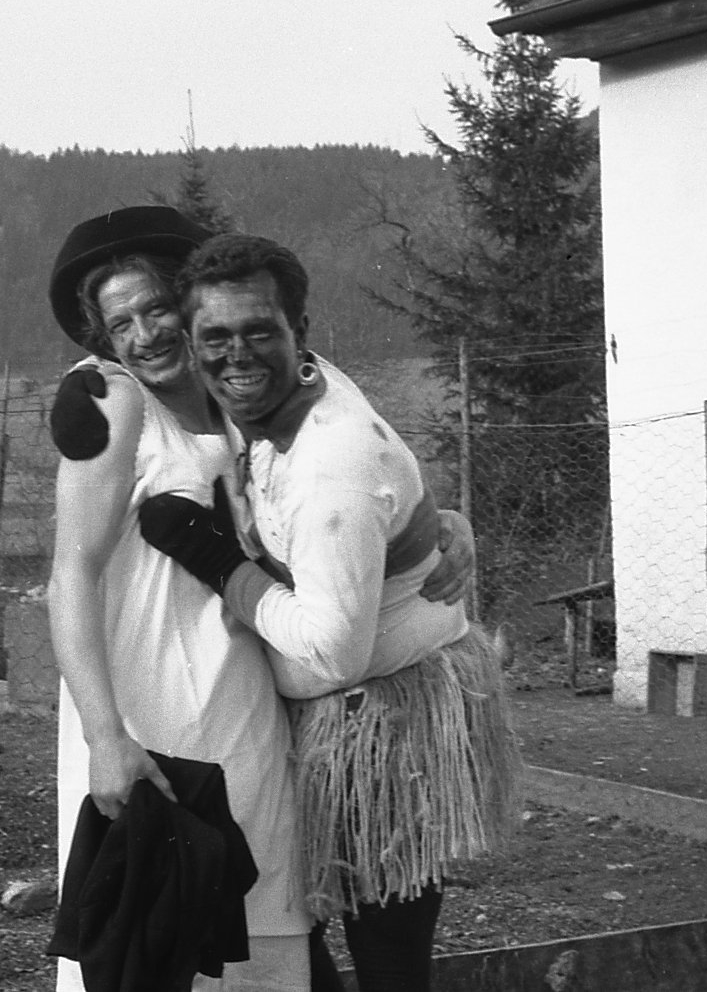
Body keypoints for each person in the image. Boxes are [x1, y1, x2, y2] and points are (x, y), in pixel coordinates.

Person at [42, 207, 476, 992]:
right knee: (164, 944)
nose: (144, 335)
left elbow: (343, 476)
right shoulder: (109, 398)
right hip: (154, 712)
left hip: (249, 706)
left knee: (264, 936)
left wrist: (436, 524)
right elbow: (70, 574)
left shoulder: (239, 394)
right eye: (120, 323)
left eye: (156, 309)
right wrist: (105, 736)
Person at [138, 232, 523, 992]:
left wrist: (220, 565)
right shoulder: (276, 394)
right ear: (191, 341)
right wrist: (435, 519)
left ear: (299, 333)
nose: (237, 355)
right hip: (330, 715)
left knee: (384, 950)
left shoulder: (329, 464)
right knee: (288, 923)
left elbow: (331, 654)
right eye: (216, 337)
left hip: (384, 722)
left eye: (260, 332)